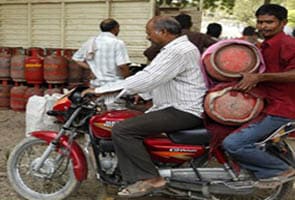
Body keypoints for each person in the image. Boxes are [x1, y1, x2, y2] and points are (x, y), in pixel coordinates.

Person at [82, 16, 207, 197]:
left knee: (122, 130)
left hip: (182, 110)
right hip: (174, 105)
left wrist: (101, 90)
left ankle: (151, 178)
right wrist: (142, 94)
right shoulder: (176, 48)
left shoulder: (177, 51)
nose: (148, 37)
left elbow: (149, 77)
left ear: (163, 32)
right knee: (129, 120)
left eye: (149, 33)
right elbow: (164, 79)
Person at [222, 4, 295, 187]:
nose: (263, 26)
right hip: (266, 105)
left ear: (283, 23)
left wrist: (260, 77)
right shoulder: (264, 45)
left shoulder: (288, 44)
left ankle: (278, 169)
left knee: (233, 143)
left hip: (282, 109)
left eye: (269, 22)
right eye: (260, 22)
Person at [72, 18, 131, 88]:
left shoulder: (91, 42)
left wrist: (91, 68)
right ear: (115, 28)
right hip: (114, 85)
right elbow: (122, 66)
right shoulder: (117, 43)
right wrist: (129, 80)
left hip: (95, 85)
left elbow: (76, 58)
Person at [143, 13, 216, 61]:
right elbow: (218, 46)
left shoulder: (170, 38)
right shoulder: (200, 36)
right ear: (190, 24)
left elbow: (148, 53)